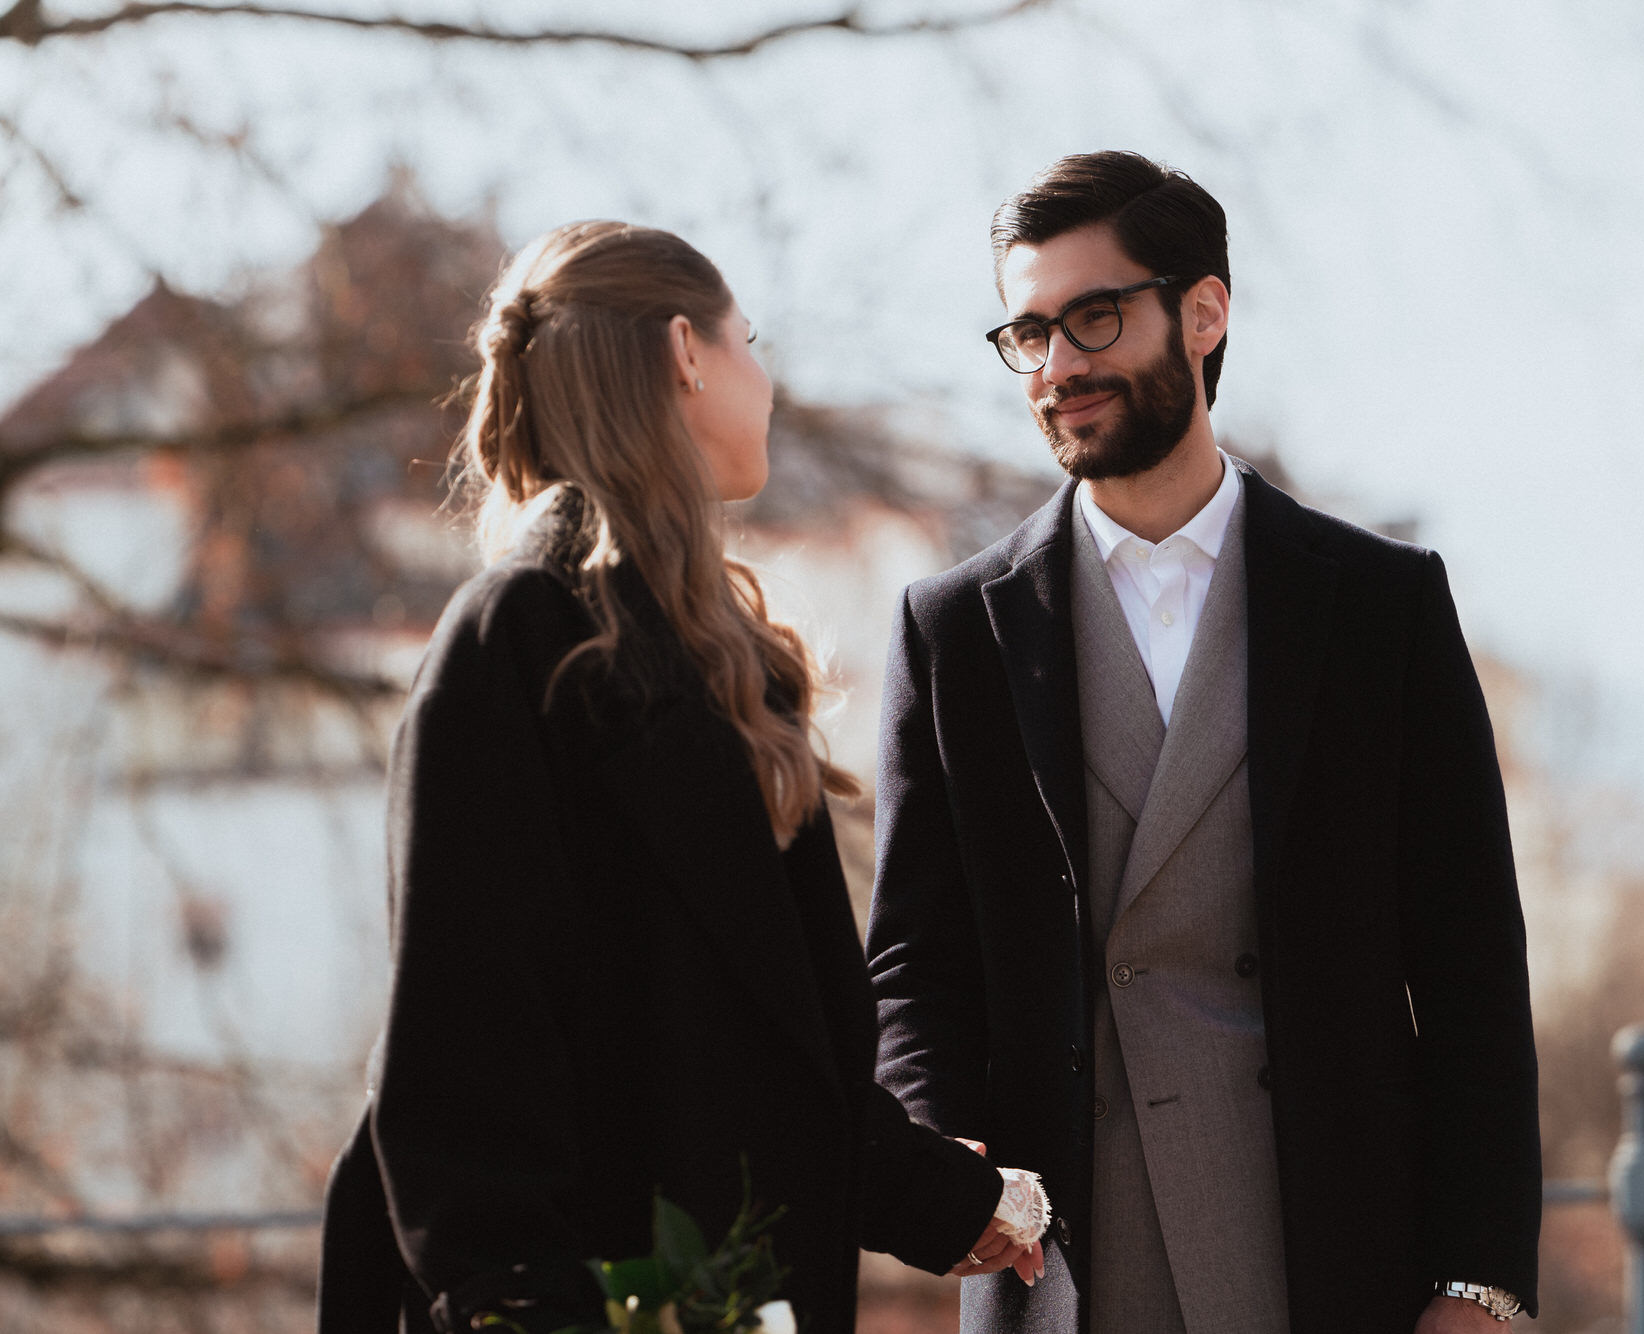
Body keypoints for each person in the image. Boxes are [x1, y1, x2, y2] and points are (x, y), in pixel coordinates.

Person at [315, 220, 1041, 1334]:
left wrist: (951, 1198)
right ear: (684, 354)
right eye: (747, 340)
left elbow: (783, 1054)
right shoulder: (519, 640)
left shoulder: (732, 671)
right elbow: (457, 1055)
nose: (766, 377)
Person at [866, 152, 1541, 1334]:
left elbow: (1471, 961)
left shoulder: (1379, 603)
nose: (1060, 364)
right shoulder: (951, 631)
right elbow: (915, 963)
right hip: (1060, 1263)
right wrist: (940, 1155)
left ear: (1203, 311)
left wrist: (1475, 1278)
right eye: (1029, 333)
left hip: (1332, 1251)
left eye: (1093, 316)